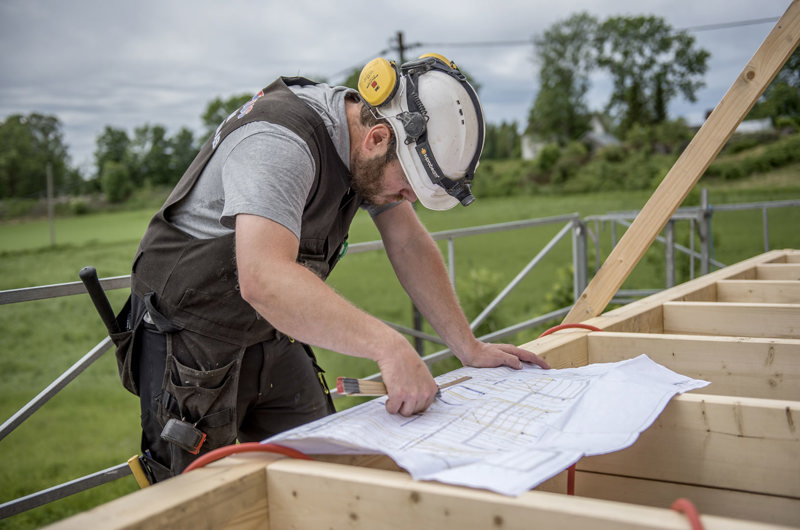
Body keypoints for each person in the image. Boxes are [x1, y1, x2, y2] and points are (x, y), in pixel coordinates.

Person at [117, 53, 549, 483]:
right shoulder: (280, 141)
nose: (407, 200)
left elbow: (408, 241)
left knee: (326, 470)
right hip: (189, 334)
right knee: (201, 496)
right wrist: (389, 347)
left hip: (268, 326)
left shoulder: (367, 143)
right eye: (408, 186)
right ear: (378, 138)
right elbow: (263, 276)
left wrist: (468, 346)